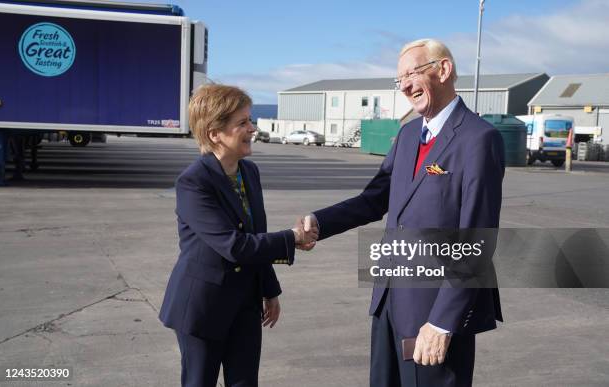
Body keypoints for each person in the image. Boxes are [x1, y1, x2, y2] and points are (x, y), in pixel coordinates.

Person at [301, 39, 505, 386]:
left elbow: (476, 240)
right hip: (389, 303)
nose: (406, 86)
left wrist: (443, 322)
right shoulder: (409, 134)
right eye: (400, 80)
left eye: (412, 73)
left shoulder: (478, 139)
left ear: (444, 70)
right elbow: (375, 198)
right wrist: (321, 222)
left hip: (435, 312)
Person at [159, 84, 317, 387]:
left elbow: (256, 234)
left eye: (251, 120)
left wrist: (269, 289)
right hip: (202, 307)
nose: (252, 128)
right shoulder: (193, 182)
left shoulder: (249, 172)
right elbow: (235, 246)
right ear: (214, 133)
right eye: (242, 123)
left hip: (245, 303)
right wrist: (294, 237)